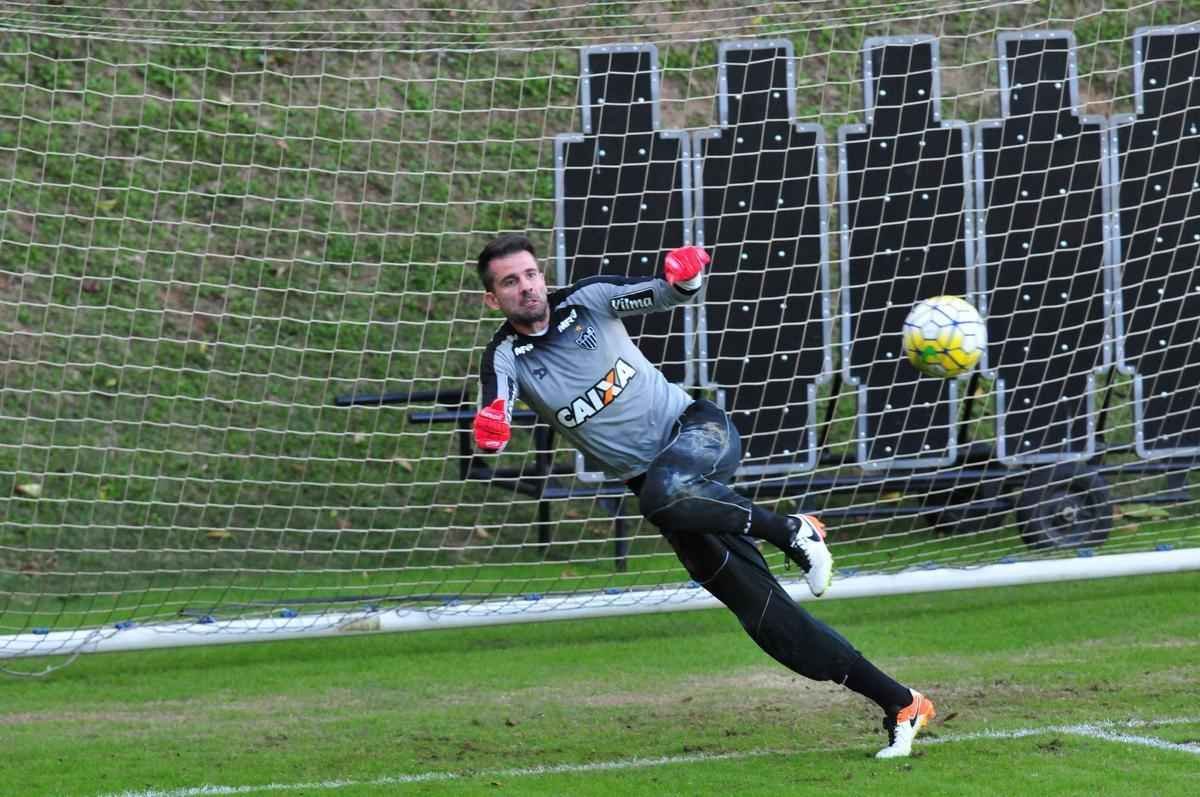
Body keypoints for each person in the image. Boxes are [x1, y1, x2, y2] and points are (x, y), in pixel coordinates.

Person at [471, 233, 936, 759]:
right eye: (510, 282)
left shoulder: (588, 299)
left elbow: (665, 293)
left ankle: (792, 531)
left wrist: (685, 275)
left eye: (531, 274)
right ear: (493, 298)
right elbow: (496, 408)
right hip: (668, 496)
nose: (526, 287)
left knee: (662, 495)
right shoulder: (505, 356)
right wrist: (492, 428)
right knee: (768, 621)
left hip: (697, 433)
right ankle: (901, 704)